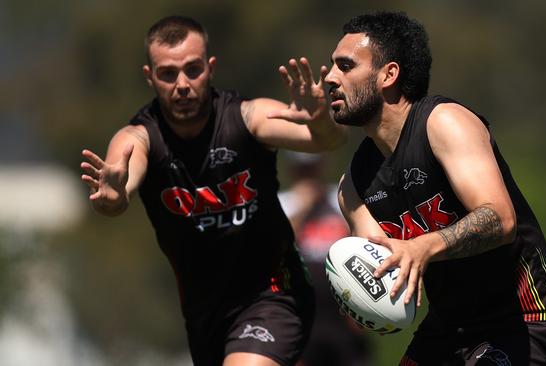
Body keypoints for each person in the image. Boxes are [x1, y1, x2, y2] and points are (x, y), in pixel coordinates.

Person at [80, 15, 346, 366]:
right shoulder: (140, 138)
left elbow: (325, 142)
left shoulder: (247, 118)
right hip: (205, 315)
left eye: (193, 69)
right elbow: (121, 179)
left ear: (211, 67)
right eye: (168, 73)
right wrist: (115, 197)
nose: (182, 84)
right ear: (150, 77)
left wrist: (320, 117)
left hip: (274, 294)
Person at [326, 12, 546, 365]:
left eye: (345, 66)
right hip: (449, 327)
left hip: (522, 316)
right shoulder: (353, 185)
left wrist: (422, 247)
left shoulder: (444, 123)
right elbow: (382, 277)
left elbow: (500, 219)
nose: (330, 78)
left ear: (388, 75)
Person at [278, 152, 371, 366]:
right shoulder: (283, 203)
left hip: (343, 314)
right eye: (303, 169)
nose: (308, 174)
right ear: (292, 170)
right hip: (300, 315)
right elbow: (276, 248)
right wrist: (302, 207)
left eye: (312, 167)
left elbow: (362, 243)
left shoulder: (339, 198)